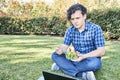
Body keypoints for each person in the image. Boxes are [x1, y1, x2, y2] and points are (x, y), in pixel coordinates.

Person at [51, 3, 105, 80]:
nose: (75, 21)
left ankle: (62, 66)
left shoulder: (96, 29)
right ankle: (80, 75)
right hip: (75, 58)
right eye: (72, 19)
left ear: (84, 16)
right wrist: (61, 50)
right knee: (55, 55)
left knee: (96, 63)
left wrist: (84, 56)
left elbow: (101, 51)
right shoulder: (70, 30)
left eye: (77, 18)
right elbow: (65, 47)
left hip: (90, 59)